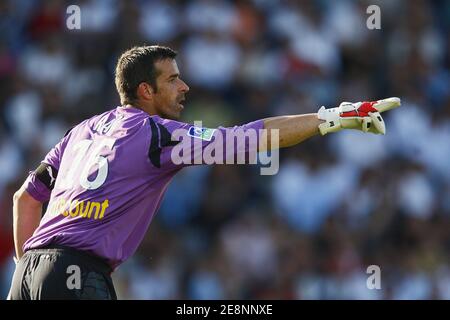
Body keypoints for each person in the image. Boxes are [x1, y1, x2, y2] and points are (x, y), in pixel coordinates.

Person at [8, 45, 400, 300]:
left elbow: (25, 198)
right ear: (146, 90)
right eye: (173, 79)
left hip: (28, 272)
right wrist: (329, 118)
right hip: (80, 274)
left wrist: (29, 268)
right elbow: (249, 139)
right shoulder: (158, 135)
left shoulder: (81, 131)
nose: (185, 86)